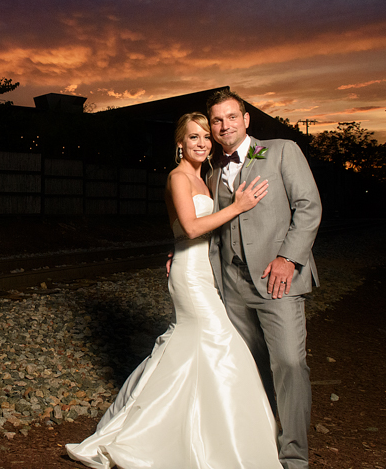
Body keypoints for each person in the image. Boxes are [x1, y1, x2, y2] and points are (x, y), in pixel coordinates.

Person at [66, 112, 282, 469]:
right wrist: (239, 207)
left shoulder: (206, 178)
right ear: (179, 143)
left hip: (206, 271)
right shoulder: (178, 177)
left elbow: (191, 231)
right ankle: (175, 439)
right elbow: (192, 228)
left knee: (193, 349)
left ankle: (196, 431)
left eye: (205, 137)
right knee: (223, 344)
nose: (201, 143)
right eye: (193, 137)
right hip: (191, 276)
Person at [206, 90, 321, 469]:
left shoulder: (281, 150)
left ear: (246, 119)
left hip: (277, 280)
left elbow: (308, 206)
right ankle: (260, 444)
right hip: (232, 284)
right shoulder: (212, 170)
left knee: (288, 362)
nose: (225, 126)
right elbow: (211, 227)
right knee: (249, 365)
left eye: (231, 117)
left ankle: (294, 457)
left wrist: (288, 258)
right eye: (217, 120)